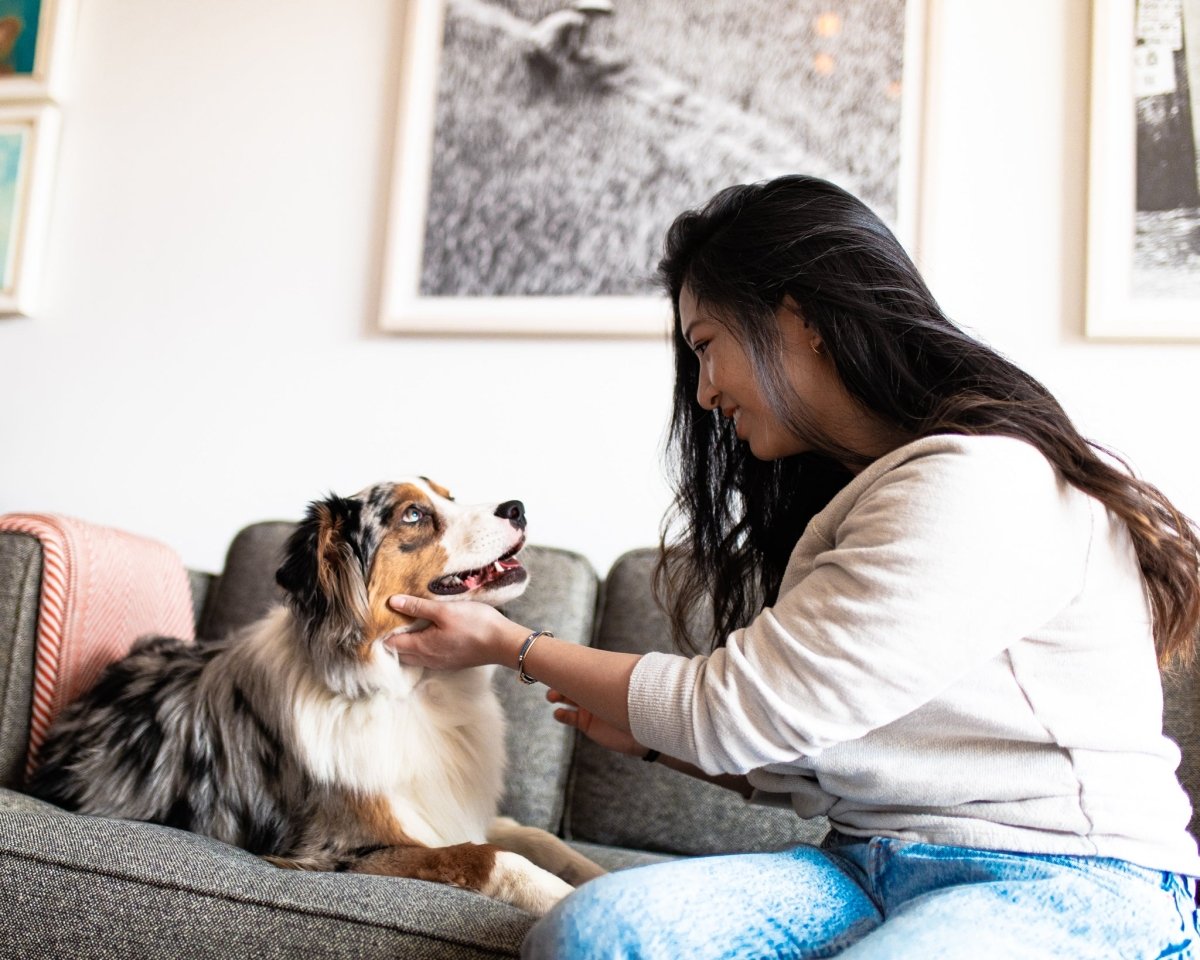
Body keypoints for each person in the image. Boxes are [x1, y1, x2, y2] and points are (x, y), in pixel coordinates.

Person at [385, 174, 1200, 959]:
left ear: (797, 315)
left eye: (707, 347)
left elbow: (738, 709)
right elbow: (819, 758)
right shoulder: (864, 499)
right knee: (594, 934)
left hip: (1069, 875)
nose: (704, 394)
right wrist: (653, 746)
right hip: (865, 861)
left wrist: (507, 643)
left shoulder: (976, 482)